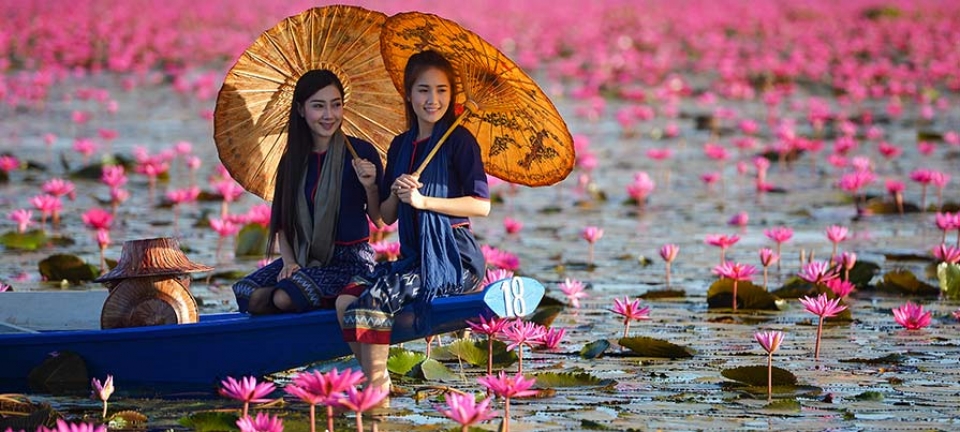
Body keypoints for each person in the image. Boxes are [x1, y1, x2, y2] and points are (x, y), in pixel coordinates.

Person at [336, 50, 490, 396]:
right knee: (346, 301)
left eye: (441, 90)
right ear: (408, 93)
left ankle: (375, 393)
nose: (432, 100)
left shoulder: (459, 141)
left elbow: (482, 206)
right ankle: (380, 381)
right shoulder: (400, 144)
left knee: (374, 300)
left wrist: (424, 202)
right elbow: (385, 216)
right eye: (423, 90)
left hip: (454, 259)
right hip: (414, 257)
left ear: (451, 96)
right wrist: (375, 187)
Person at [232, 69, 384, 314]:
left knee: (285, 296)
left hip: (349, 262)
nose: (329, 115)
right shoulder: (292, 160)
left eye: (336, 105)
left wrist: (371, 187)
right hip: (304, 256)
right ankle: (292, 310)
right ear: (301, 110)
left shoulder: (360, 152)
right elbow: (283, 224)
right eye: (318, 106)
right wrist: (290, 263)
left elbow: (379, 218)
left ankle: (314, 301)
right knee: (247, 294)